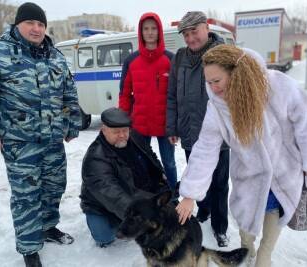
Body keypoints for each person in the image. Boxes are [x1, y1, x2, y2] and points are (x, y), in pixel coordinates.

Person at [176, 44, 307, 267]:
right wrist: (190, 194)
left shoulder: (277, 86)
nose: (213, 88)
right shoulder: (218, 107)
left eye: (216, 81)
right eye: (208, 82)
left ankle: (264, 256)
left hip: (285, 171)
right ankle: (248, 248)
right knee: (247, 227)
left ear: (235, 73)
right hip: (249, 176)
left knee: (274, 218)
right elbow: (205, 149)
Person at [0, 2, 81, 267]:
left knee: (54, 187)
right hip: (20, 142)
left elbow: (69, 93)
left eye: (41, 24)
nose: (36, 28)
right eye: (30, 22)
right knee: (26, 195)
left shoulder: (54, 55)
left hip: (53, 138)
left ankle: (47, 227)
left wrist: (72, 123)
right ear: (18, 24)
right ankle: (29, 248)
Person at [166, 11, 230, 247]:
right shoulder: (180, 57)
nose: (190, 38)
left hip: (218, 133)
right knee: (196, 176)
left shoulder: (221, 54)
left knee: (220, 182)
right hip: (190, 130)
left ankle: (220, 227)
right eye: (186, 34)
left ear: (206, 27)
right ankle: (204, 210)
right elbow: (172, 94)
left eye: (194, 32)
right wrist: (172, 125)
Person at [80, 107, 170, 248]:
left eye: (125, 130)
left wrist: (162, 184)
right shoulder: (95, 159)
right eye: (116, 132)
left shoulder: (134, 136)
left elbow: (151, 157)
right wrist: (142, 216)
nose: (122, 135)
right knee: (105, 236)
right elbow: (112, 195)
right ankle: (100, 221)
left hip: (136, 193)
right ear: (103, 130)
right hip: (103, 205)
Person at [119, 12, 177, 190]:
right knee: (141, 162)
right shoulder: (131, 61)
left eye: (154, 28)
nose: (150, 32)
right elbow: (124, 93)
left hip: (165, 125)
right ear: (141, 32)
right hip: (140, 124)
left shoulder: (170, 59)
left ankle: (173, 196)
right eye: (146, 29)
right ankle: (146, 195)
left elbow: (176, 95)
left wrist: (175, 125)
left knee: (169, 163)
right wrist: (123, 121)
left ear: (159, 31)